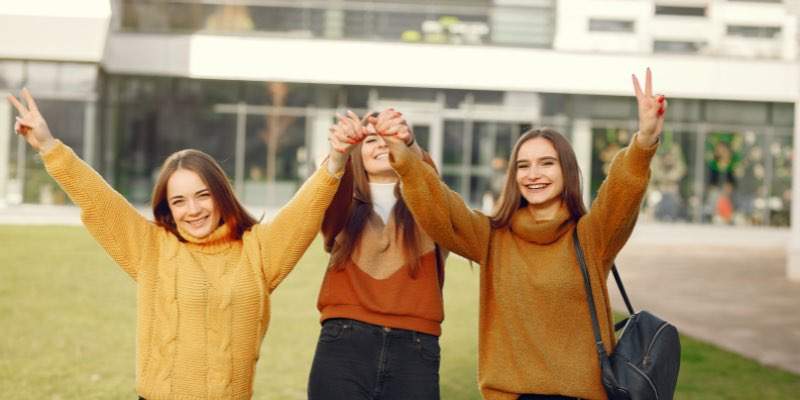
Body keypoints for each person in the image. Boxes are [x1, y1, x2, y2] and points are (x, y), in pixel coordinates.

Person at [7, 89, 360, 400]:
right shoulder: (151, 248)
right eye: (179, 201)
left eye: (203, 195)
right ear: (168, 208)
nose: (192, 210)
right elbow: (98, 201)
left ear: (221, 196)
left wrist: (338, 159)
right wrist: (49, 146)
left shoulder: (258, 251)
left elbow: (306, 209)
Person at [380, 69, 667, 400]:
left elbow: (621, 194)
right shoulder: (492, 237)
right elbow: (440, 208)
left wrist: (644, 141)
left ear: (567, 171)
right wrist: (407, 156)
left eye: (547, 163)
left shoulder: (591, 236)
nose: (534, 175)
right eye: (523, 165)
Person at [308, 109, 447, 400]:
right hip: (344, 343)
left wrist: (409, 146)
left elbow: (430, 181)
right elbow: (323, 194)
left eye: (389, 138)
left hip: (415, 348)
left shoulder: (428, 206)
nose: (382, 144)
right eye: (371, 140)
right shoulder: (343, 203)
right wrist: (337, 154)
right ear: (358, 154)